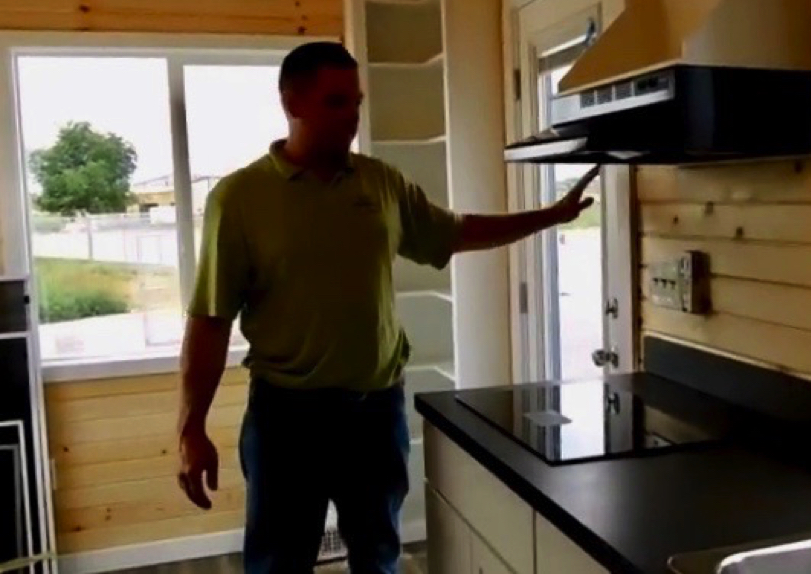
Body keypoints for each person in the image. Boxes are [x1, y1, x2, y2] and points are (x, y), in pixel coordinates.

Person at [175, 41, 599, 573]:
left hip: (374, 415)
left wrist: (549, 216)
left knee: (378, 559)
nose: (352, 117)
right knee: (279, 565)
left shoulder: (381, 182)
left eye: (356, 102)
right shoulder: (239, 198)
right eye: (336, 102)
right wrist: (191, 428)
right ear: (291, 102)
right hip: (287, 421)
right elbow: (210, 320)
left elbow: (455, 232)